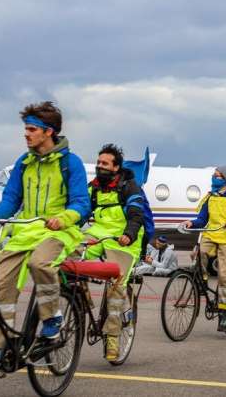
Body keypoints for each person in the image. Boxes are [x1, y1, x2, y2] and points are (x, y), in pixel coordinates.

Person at [0, 101, 89, 377]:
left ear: (48, 132)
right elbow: (11, 199)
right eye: (26, 128)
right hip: (26, 231)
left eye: (31, 129)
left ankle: (52, 317)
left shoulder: (70, 163)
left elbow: (82, 203)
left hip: (59, 231)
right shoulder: (24, 163)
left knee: (40, 263)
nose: (26, 134)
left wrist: (64, 217)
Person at [82, 144, 146, 361]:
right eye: (98, 162)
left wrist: (129, 234)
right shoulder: (93, 188)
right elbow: (82, 211)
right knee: (68, 258)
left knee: (116, 291)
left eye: (105, 163)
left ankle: (113, 340)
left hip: (123, 239)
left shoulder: (129, 187)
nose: (100, 166)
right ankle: (81, 300)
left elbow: (137, 215)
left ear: (116, 167)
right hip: (98, 234)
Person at [178, 166, 226, 332]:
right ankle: (202, 280)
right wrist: (192, 223)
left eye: (218, 176)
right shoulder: (210, 197)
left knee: (224, 274)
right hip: (212, 234)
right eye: (214, 175)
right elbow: (202, 219)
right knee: (199, 253)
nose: (214, 178)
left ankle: (225, 311)